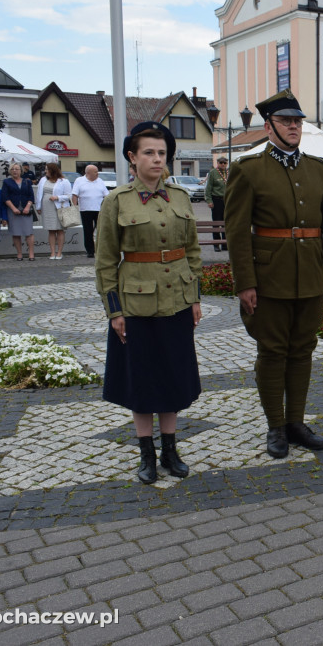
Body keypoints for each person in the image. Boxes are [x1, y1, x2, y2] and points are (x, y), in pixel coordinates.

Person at [224, 90, 323, 459]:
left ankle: (295, 422)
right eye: (287, 121)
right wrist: (245, 282)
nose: (294, 126)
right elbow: (238, 231)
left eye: (298, 121)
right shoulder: (248, 169)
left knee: (303, 349)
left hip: (309, 273)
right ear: (269, 125)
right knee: (272, 352)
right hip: (269, 275)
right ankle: (275, 426)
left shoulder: (317, 169)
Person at [95, 121, 202, 484]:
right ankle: (146, 453)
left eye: (162, 153)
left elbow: (191, 251)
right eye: (149, 152)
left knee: (172, 375)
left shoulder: (181, 198)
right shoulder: (116, 201)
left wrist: (196, 297)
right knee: (141, 381)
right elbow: (106, 261)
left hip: (177, 300)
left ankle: (171, 450)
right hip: (136, 306)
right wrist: (114, 311)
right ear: (132, 157)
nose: (157, 159)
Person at [36, 162, 73, 260]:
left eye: (47, 169)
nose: (45, 171)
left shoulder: (63, 181)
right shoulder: (43, 180)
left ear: (52, 170)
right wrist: (38, 207)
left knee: (60, 230)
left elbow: (69, 195)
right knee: (51, 230)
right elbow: (39, 194)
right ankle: (52, 252)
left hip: (59, 207)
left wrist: (58, 197)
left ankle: (59, 252)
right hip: (47, 207)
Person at [71, 165, 110, 258]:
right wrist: (74, 208)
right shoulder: (79, 181)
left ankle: (101, 250)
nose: (98, 173)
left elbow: (106, 195)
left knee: (101, 230)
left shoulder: (100, 181)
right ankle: (90, 251)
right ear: (88, 173)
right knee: (88, 231)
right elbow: (74, 195)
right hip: (85, 209)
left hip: (99, 209)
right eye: (95, 172)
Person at [1, 163, 36, 261]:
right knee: (16, 232)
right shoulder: (7, 182)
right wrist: (13, 208)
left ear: (21, 170)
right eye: (12, 169)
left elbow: (31, 196)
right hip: (13, 209)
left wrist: (28, 206)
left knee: (29, 232)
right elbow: (5, 196)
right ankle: (19, 254)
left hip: (26, 209)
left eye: (17, 169)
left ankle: (31, 254)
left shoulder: (27, 182)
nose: (15, 171)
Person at [204, 157, 229, 252]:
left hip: (227, 201)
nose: (223, 164)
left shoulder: (228, 172)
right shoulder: (213, 173)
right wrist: (209, 200)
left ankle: (225, 244)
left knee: (226, 223)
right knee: (216, 223)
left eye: (225, 163)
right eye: (221, 162)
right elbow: (208, 188)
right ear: (218, 163)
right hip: (217, 200)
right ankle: (216, 244)